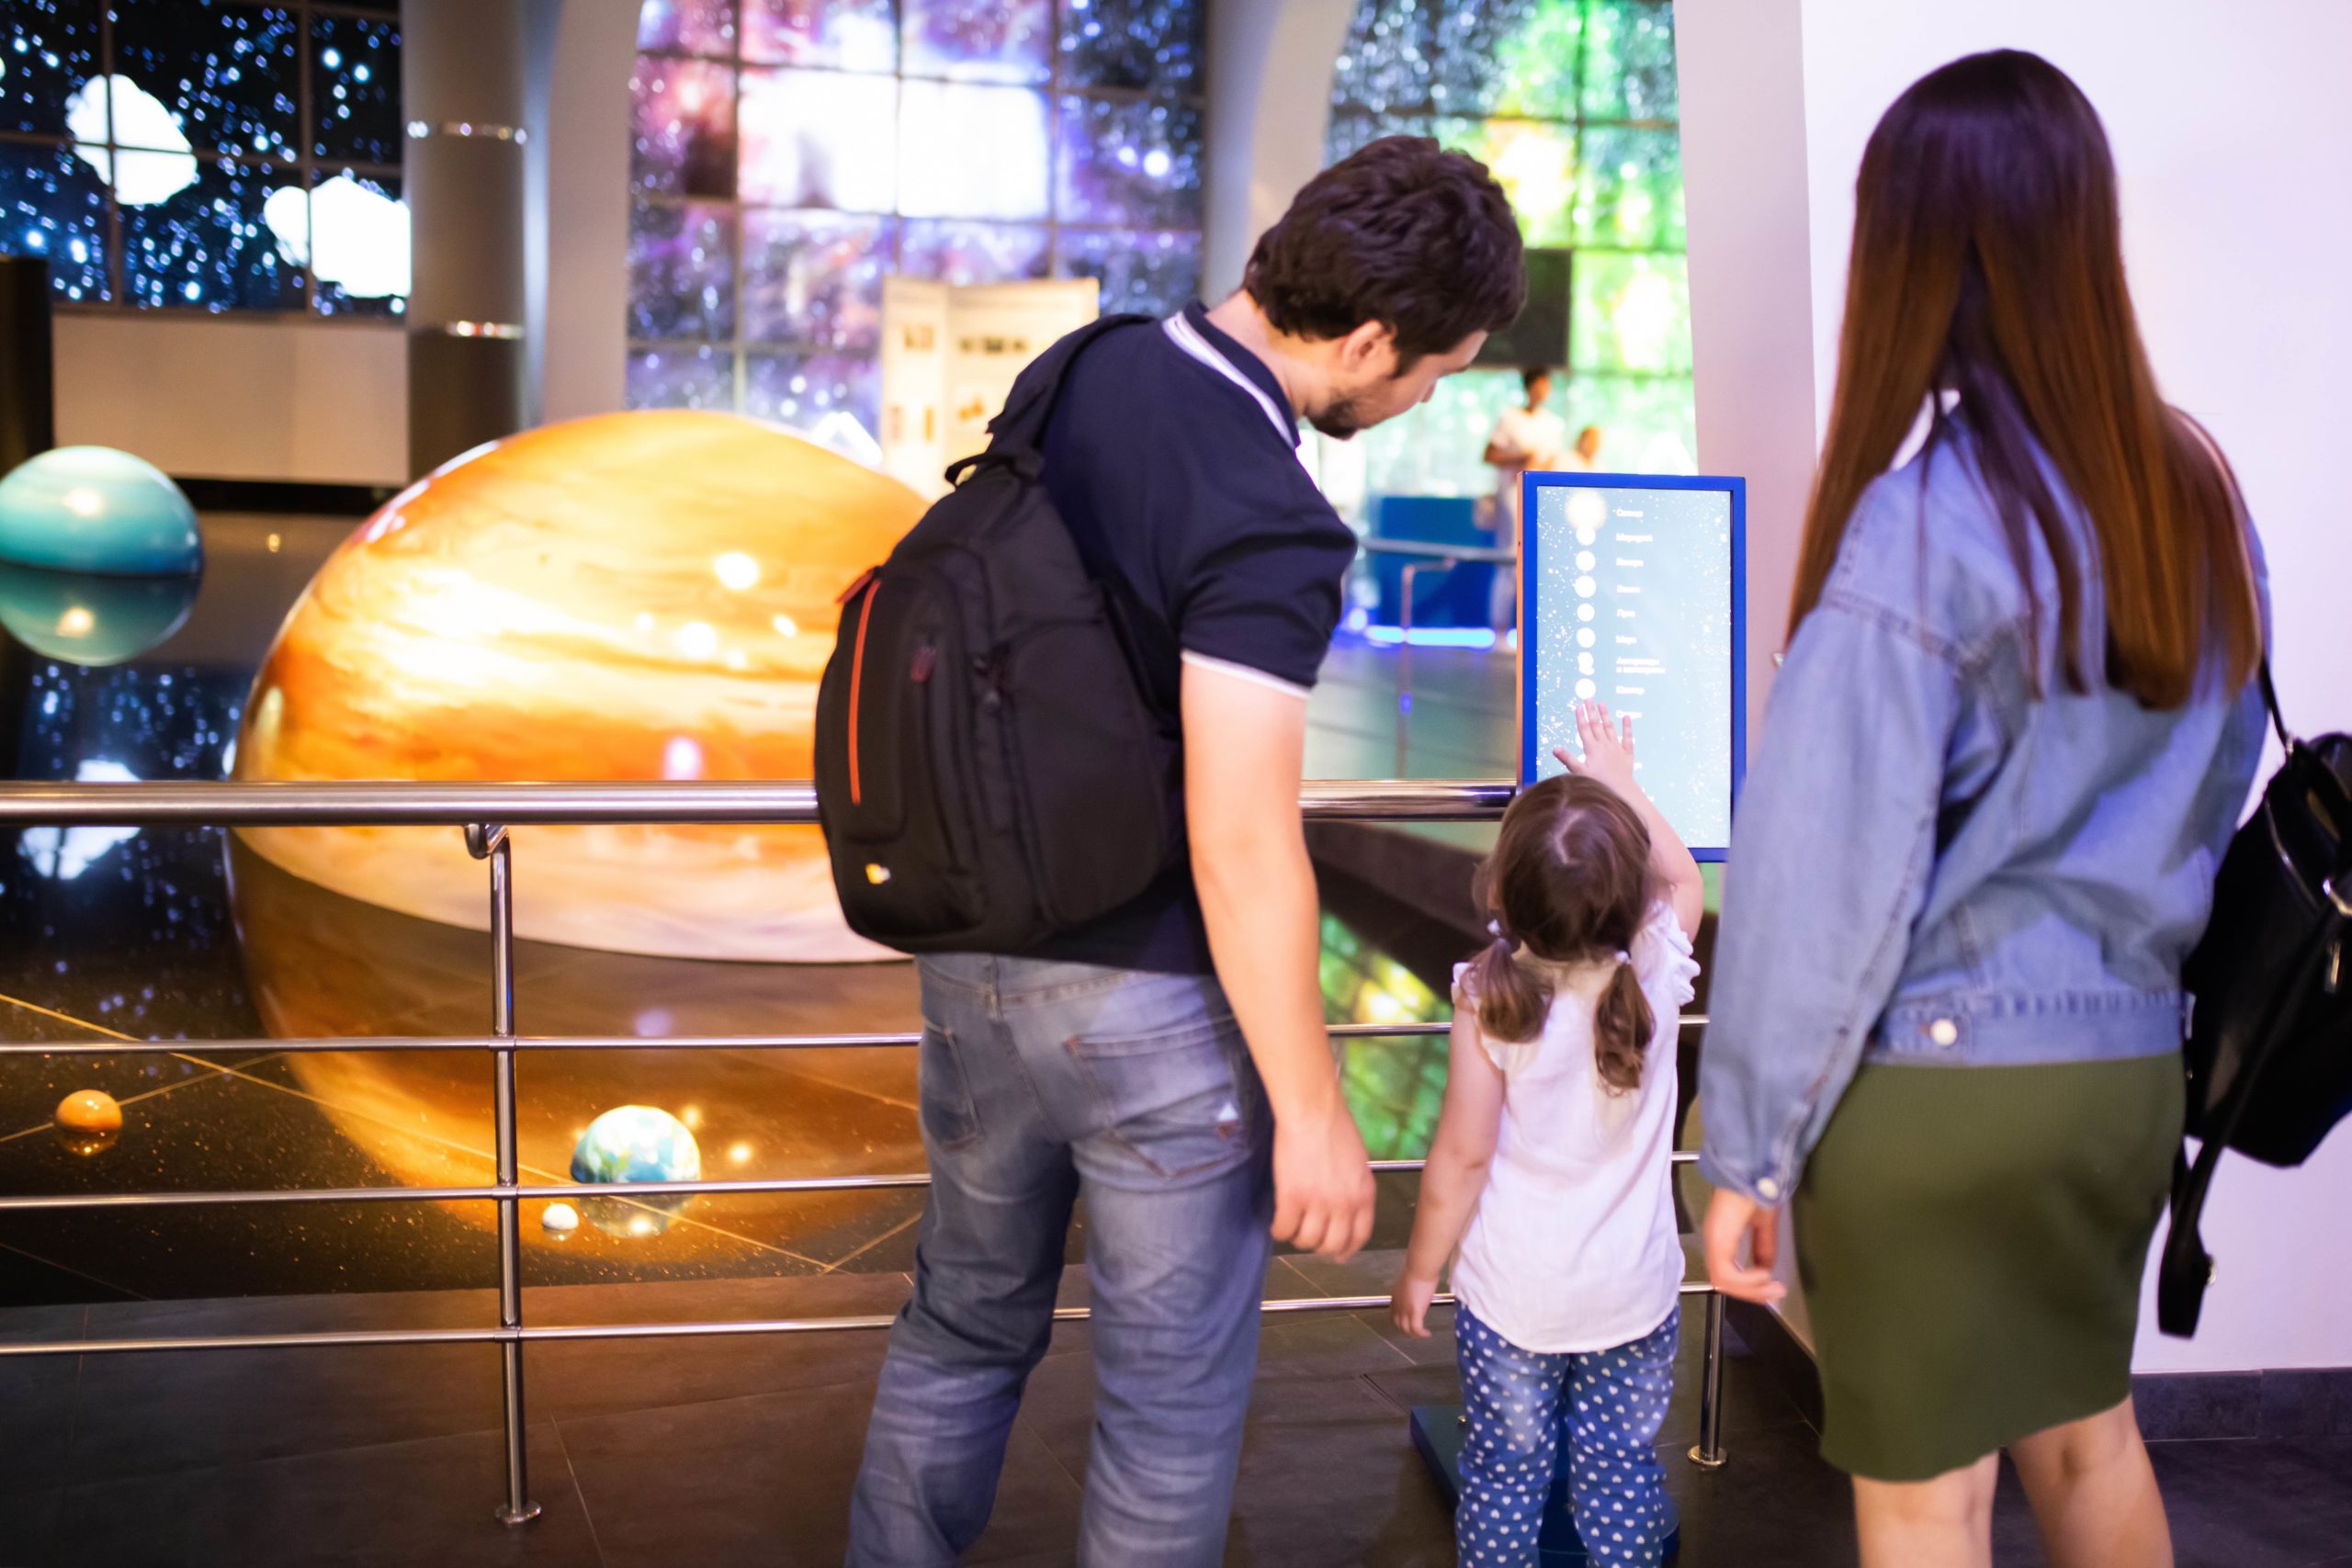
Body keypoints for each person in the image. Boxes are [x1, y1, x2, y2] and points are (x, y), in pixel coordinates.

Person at [846, 136, 1526, 1568]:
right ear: (1364, 339)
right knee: (1164, 1415)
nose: (1421, 402)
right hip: (1142, 1005)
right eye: (1431, 374)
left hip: (972, 961)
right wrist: (1318, 1108)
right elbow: (1238, 834)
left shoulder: (1087, 364)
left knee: (959, 1327)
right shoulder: (1271, 517)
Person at [1697, 51, 2266, 1568]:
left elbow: (1820, 890)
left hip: (1940, 1098)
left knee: (1930, 1499)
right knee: (2090, 1445)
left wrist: (1742, 1151)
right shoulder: (2198, 497)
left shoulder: (1920, 525)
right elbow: (2214, 800)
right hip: (2124, 1083)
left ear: (1914, 254)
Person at [1391, 700, 1704, 1568]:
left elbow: (1461, 1153)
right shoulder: (1654, 972)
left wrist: (1421, 1266)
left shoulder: (1487, 998)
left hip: (1513, 1305)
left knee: (1505, 1476)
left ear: (1501, 891)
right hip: (1633, 1297)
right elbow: (1685, 882)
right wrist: (1622, 785)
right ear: (1626, 896)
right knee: (1620, 1476)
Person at [1481, 368, 1569, 632]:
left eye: (1547, 386)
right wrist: (1519, 459)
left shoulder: (1553, 423)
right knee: (1511, 555)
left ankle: (1529, 632)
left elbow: (1552, 460)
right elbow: (1489, 455)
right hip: (1512, 492)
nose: (1543, 391)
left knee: (1536, 559)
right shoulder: (1509, 418)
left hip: (1539, 495)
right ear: (1529, 387)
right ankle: (1499, 627)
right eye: (1539, 385)